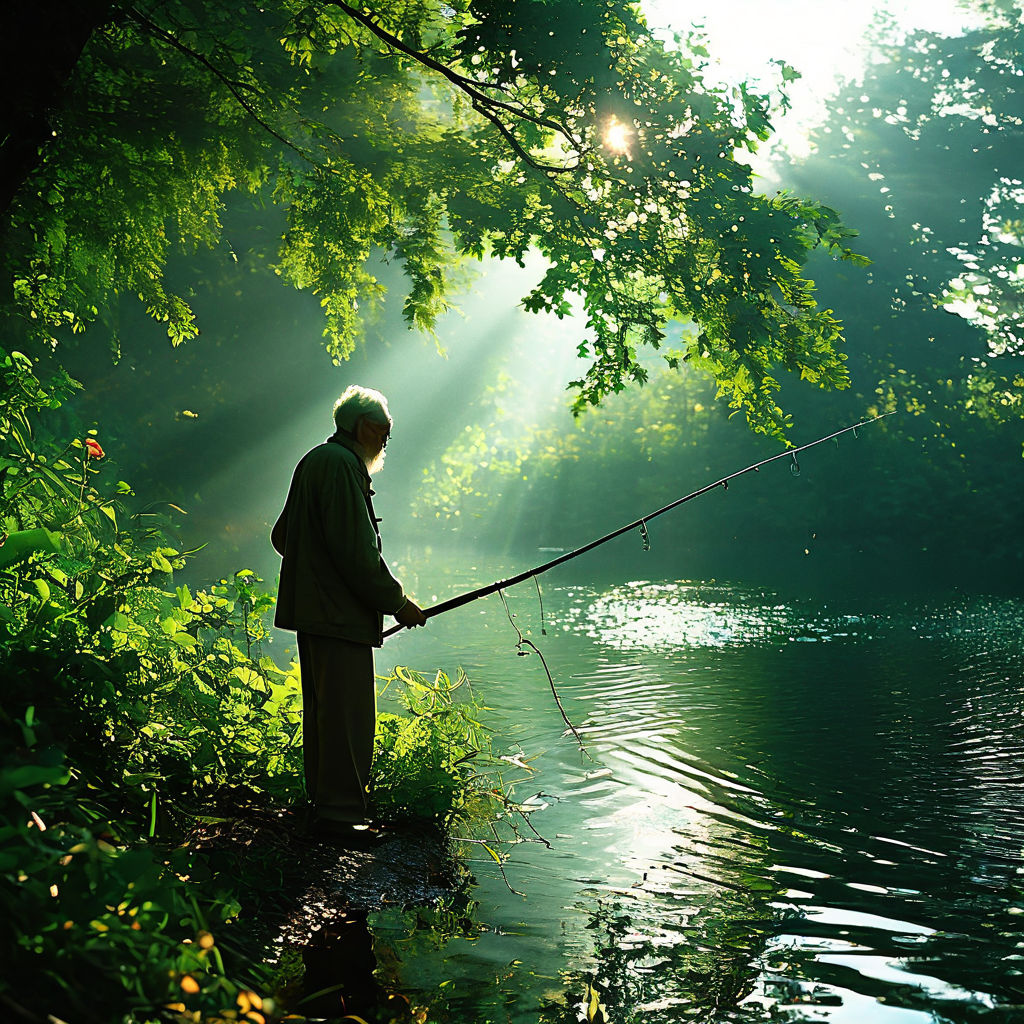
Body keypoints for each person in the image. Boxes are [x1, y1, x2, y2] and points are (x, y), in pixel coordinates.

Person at [271, 385, 426, 838]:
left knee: (324, 714)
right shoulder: (342, 466)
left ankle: (323, 804)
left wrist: (313, 571)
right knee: (347, 718)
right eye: (383, 431)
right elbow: (358, 555)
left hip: (316, 615)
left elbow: (284, 537)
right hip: (338, 619)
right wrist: (398, 603)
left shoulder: (315, 461)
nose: (385, 442)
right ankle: (340, 816)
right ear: (362, 426)